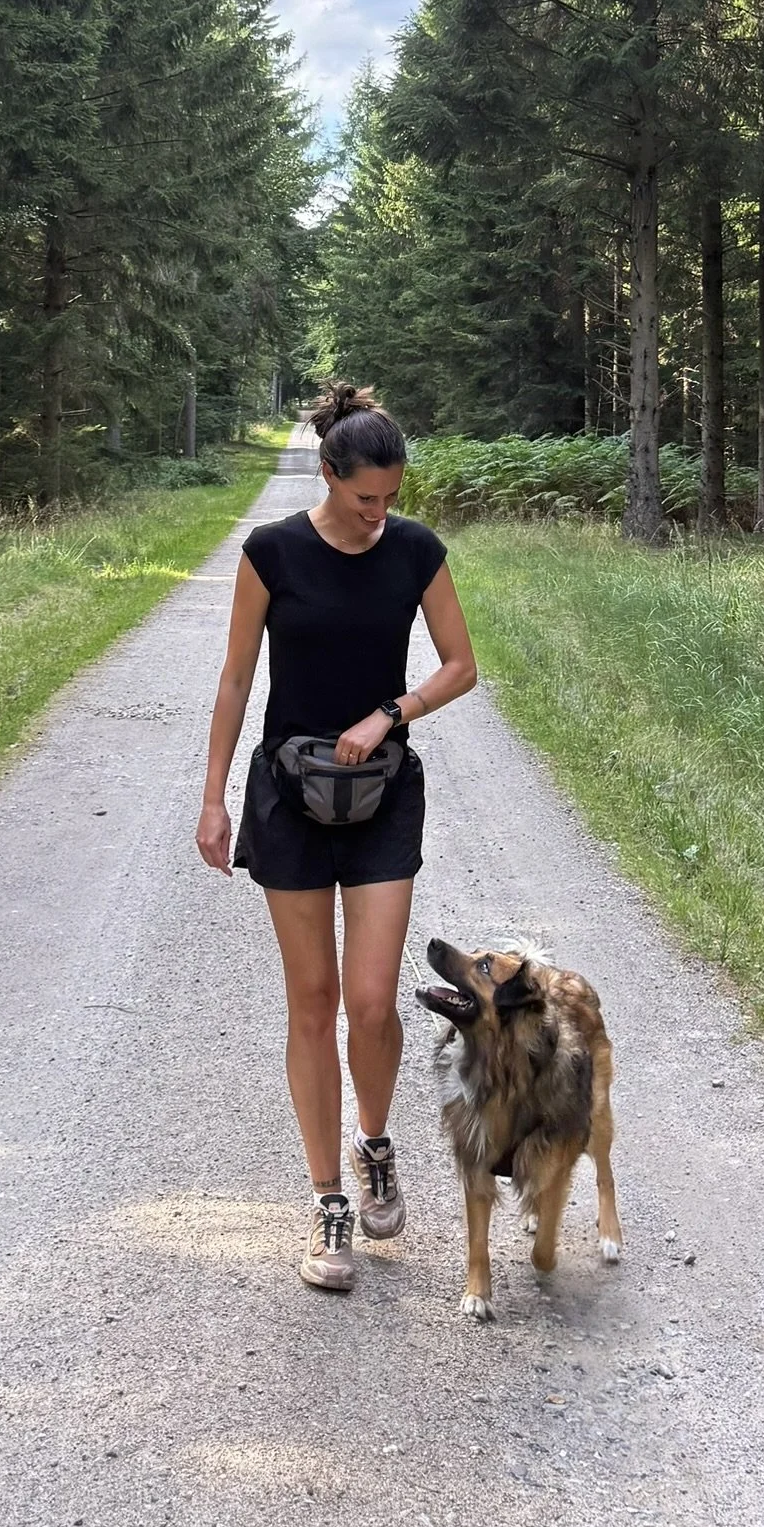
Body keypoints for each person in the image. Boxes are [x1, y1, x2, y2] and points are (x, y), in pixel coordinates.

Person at [195, 384, 478, 1292]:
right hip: (288, 796)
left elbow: (462, 666)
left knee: (372, 1000)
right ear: (328, 474)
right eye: (365, 498)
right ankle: (327, 1203)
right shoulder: (271, 553)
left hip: (385, 794)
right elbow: (237, 680)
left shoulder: (416, 552)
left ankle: (376, 1142)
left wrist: (392, 711)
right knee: (312, 1003)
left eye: (391, 498)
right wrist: (213, 799)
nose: (378, 514)